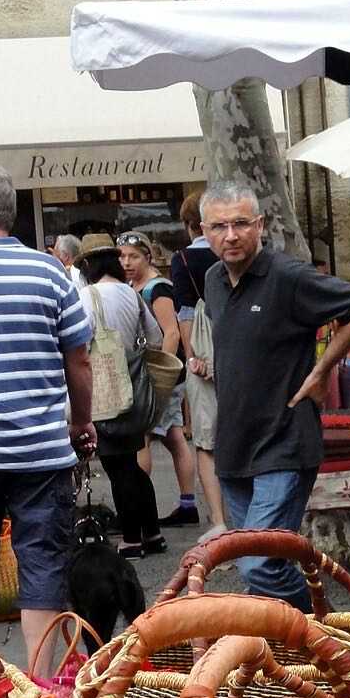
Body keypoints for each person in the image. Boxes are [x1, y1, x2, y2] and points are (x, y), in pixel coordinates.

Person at [201, 182, 350, 610]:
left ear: (259, 225)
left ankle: (324, 640)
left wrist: (322, 370)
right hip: (234, 445)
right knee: (259, 563)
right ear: (204, 231)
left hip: (284, 441)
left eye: (241, 223)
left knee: (259, 565)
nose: (231, 235)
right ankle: (310, 649)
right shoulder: (211, 280)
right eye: (219, 226)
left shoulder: (287, 275)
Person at [0, 163, 94, 675]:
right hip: (42, 451)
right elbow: (81, 361)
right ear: (12, 211)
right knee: (43, 565)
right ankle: (42, 688)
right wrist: (81, 423)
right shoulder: (51, 273)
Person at [74, 234, 167, 559]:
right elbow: (155, 338)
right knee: (131, 463)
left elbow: (78, 346)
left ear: (87, 265)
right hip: (135, 388)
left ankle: (131, 538)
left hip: (105, 392)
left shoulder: (87, 295)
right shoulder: (131, 293)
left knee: (118, 468)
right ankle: (152, 533)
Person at [118, 230, 198, 528]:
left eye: (133, 256)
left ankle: (139, 509)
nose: (126, 262)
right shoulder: (134, 285)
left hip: (157, 376)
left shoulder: (157, 289)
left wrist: (160, 375)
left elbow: (172, 332)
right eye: (122, 256)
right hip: (154, 374)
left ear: (147, 257)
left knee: (143, 438)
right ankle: (187, 503)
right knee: (174, 436)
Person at [171, 193, 226, 542]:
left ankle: (220, 520)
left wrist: (193, 355)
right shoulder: (231, 252)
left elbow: (186, 312)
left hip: (204, 354)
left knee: (206, 442)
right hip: (237, 350)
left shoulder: (182, 260)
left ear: (190, 225)